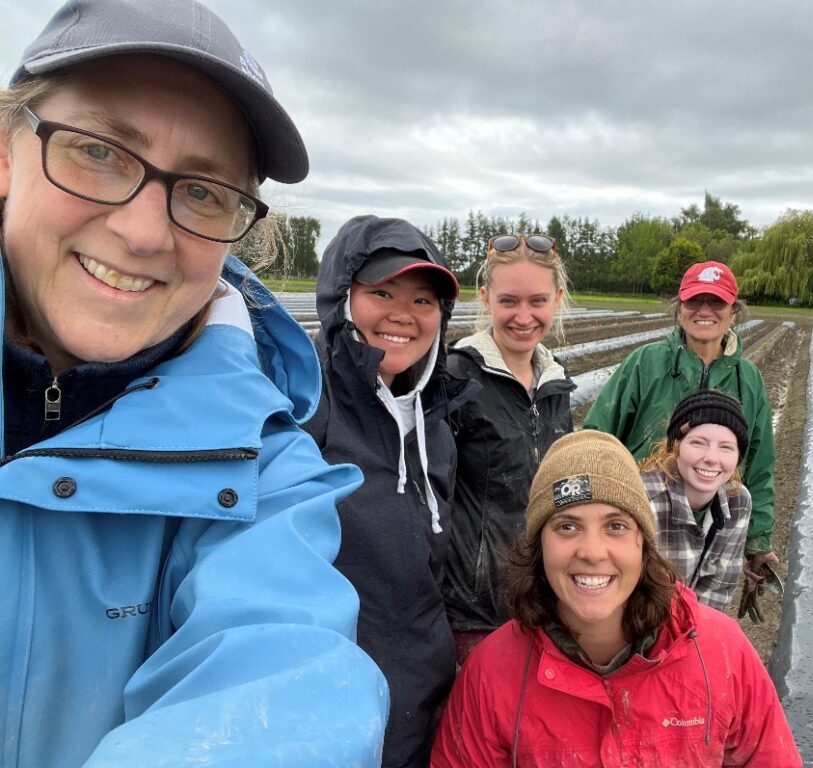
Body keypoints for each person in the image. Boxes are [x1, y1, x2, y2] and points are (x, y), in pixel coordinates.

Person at [0, 1, 387, 766]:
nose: (145, 232)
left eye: (204, 192)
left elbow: (286, 686)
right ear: (7, 152)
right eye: (100, 151)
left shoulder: (264, 473)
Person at [431, 430, 802, 767]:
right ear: (539, 547)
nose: (592, 551)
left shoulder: (722, 653)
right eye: (567, 526)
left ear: (643, 544)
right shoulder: (491, 674)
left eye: (616, 526)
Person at [305, 214, 475, 768]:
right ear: (340, 296)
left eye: (424, 301)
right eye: (382, 292)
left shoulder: (436, 427)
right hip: (328, 712)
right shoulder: (302, 410)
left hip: (419, 707)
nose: (404, 314)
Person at [583, 260, 778, 591]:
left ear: (734, 311)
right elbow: (597, 439)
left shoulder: (748, 379)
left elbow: (759, 464)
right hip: (638, 516)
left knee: (694, 618)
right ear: (679, 308)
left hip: (712, 528)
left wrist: (757, 542)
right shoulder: (646, 363)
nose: (705, 310)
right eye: (694, 301)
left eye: (716, 302)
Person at [444, 233, 575, 665]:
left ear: (556, 298)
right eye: (509, 301)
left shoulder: (556, 382)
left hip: (543, 599)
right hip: (474, 608)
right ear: (485, 298)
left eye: (537, 300)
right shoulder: (457, 377)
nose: (524, 316)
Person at [641, 389, 752, 612]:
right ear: (676, 447)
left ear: (738, 456)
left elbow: (718, 589)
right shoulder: (643, 498)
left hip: (688, 627)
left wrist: (694, 639)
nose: (711, 458)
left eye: (726, 447)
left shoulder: (738, 501)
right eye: (698, 443)